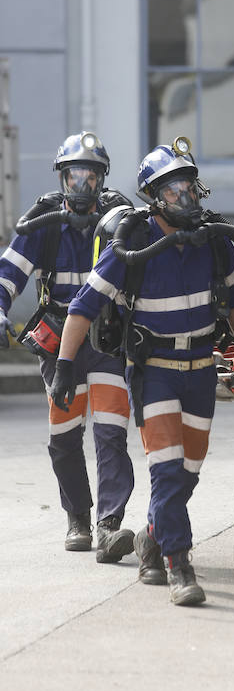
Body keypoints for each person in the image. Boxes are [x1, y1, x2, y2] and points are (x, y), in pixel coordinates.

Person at [50, 138, 234, 607]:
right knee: (166, 469)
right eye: (172, 189)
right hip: (155, 369)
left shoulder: (214, 238)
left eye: (188, 186)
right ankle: (179, 565)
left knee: (188, 471)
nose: (184, 197)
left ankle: (151, 538)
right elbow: (83, 308)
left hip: (202, 367)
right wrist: (65, 366)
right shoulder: (133, 241)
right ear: (152, 196)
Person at [0, 132, 136, 562]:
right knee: (63, 435)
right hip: (59, 339)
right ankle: (78, 515)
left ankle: (110, 524)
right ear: (62, 178)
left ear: (102, 180)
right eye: (75, 176)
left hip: (107, 338)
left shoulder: (119, 219)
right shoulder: (44, 223)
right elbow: (8, 274)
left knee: (112, 432)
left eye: (91, 177)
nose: (83, 186)